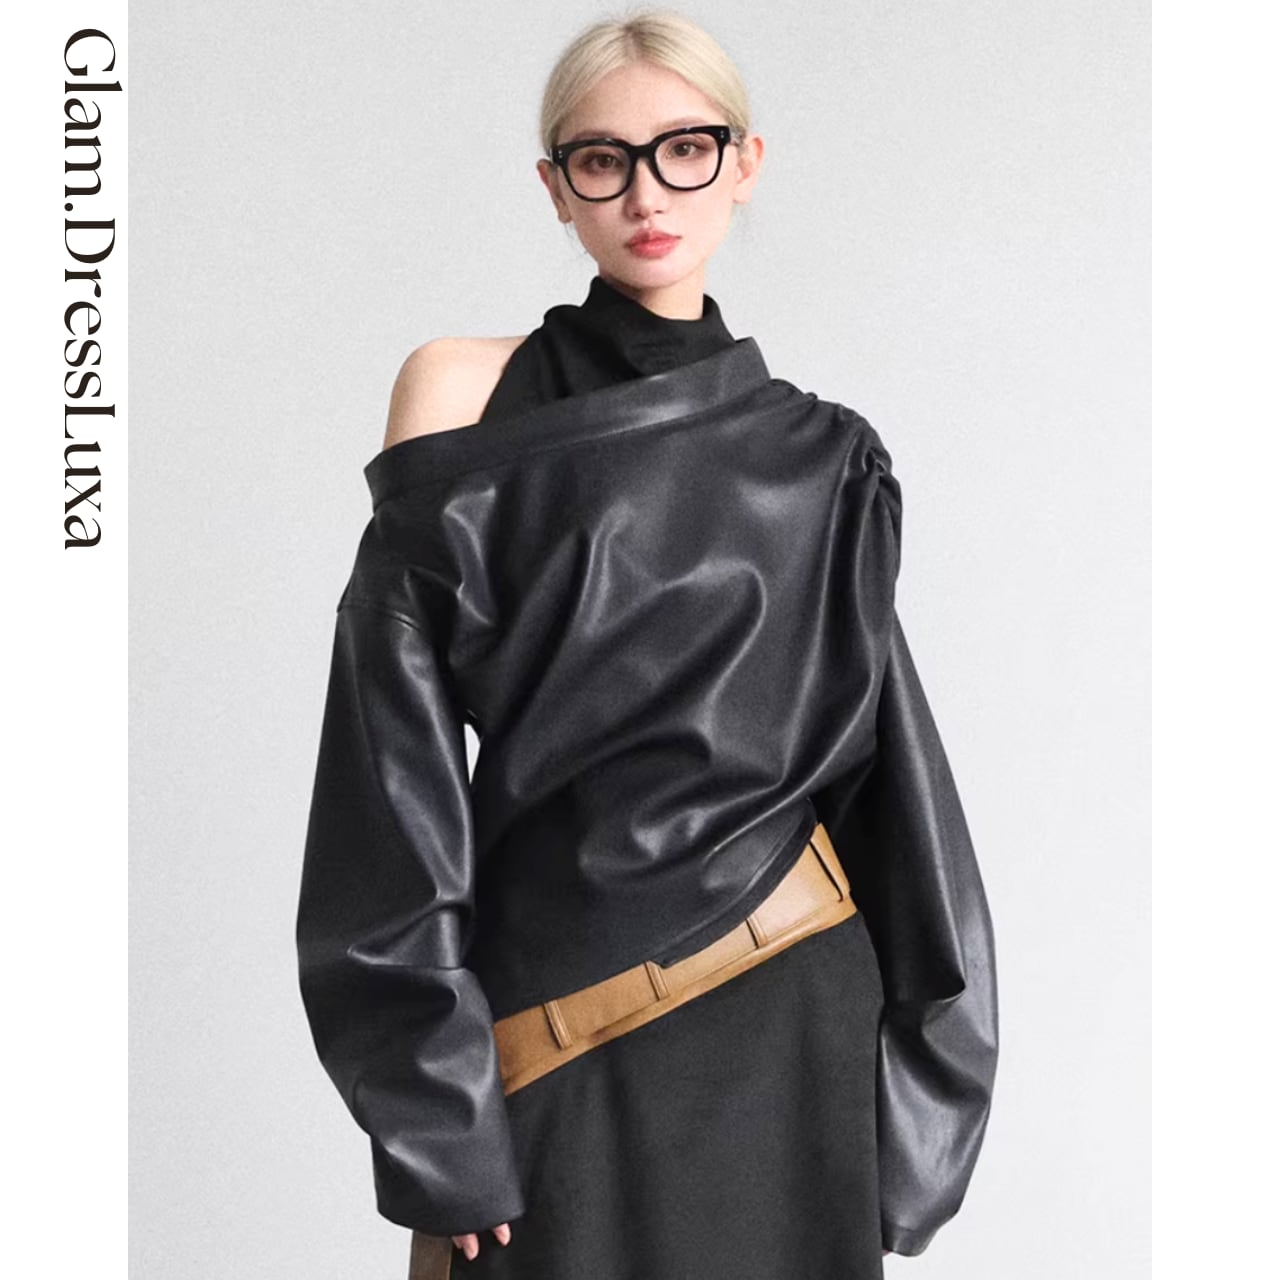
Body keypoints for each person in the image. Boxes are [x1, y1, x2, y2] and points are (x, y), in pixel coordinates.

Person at [295, 10, 998, 1280]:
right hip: (554, 1027)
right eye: (600, 159)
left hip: (792, 1018)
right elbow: (385, 784)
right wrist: (432, 1111)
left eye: (684, 148)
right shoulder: (458, 392)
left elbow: (893, 788)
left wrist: (931, 1095)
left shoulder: (822, 457)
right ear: (554, 186)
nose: (645, 192)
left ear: (743, 162)